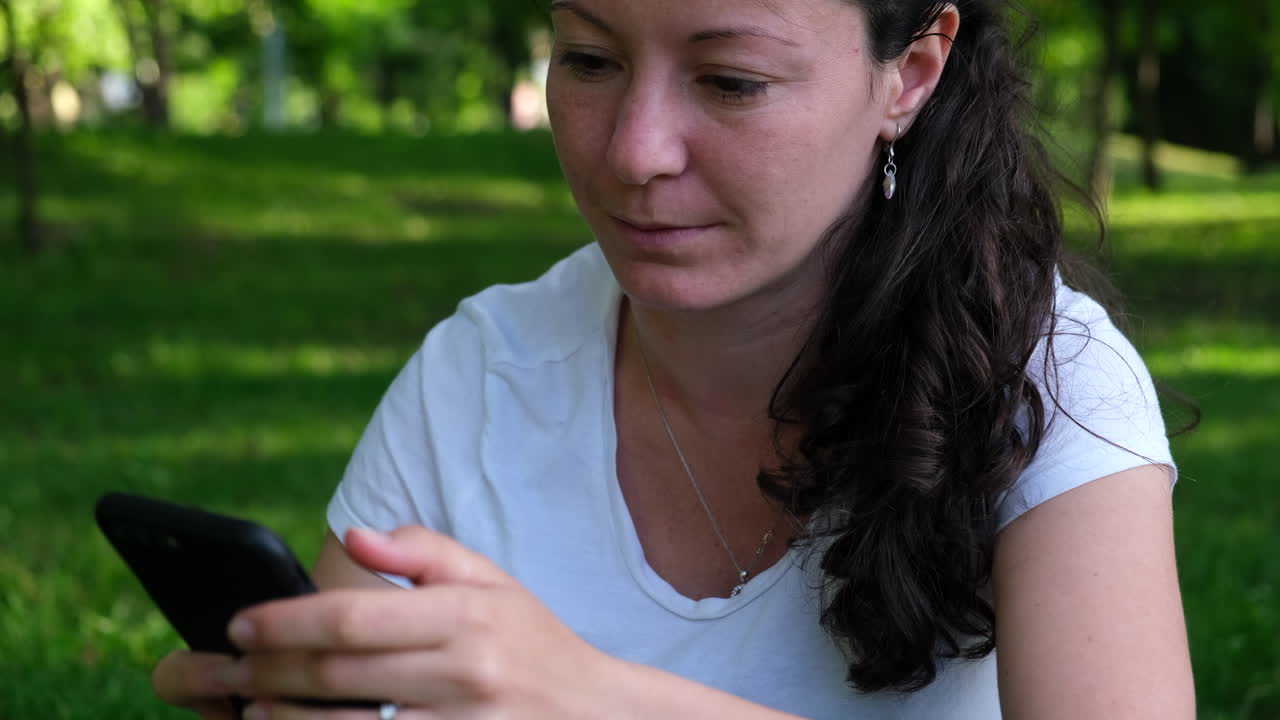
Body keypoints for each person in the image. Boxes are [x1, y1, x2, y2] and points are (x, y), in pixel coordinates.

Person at [152, 0, 1197, 717]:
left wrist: (594, 697)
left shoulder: (1047, 383)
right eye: (591, 60)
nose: (634, 150)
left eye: (730, 80)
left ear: (909, 75)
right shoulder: (478, 374)